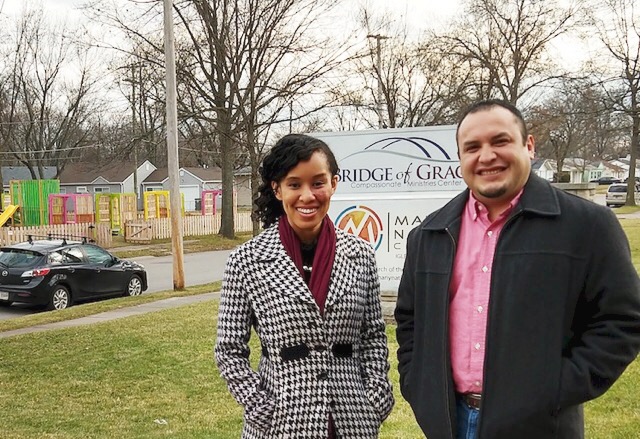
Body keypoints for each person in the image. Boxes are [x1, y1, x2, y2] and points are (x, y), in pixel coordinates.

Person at [395, 99, 640, 439]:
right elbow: (410, 321)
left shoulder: (587, 226)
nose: (487, 156)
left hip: (541, 428)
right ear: (460, 158)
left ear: (529, 145)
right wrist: (418, 385)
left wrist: (553, 390)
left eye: (500, 141)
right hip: (449, 423)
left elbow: (621, 322)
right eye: (472, 147)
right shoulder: (430, 234)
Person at [215, 133, 394, 438]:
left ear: (333, 184)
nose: (308, 195)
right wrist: (259, 405)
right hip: (280, 422)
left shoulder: (360, 255)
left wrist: (376, 397)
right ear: (278, 189)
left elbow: (373, 336)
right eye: (295, 184)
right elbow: (229, 349)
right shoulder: (247, 261)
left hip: (352, 420)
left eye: (318, 183)